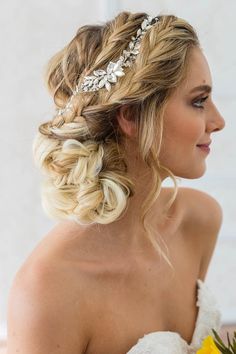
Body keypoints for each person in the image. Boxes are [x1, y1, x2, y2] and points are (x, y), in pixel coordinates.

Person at [7, 11, 225, 354]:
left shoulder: (200, 221)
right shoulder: (47, 290)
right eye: (198, 101)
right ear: (132, 117)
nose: (219, 121)